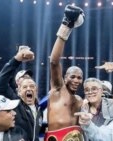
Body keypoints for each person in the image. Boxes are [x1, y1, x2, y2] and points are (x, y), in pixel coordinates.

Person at [46, 4, 85, 141]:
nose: (76, 80)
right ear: (64, 77)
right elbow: (54, 62)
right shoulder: (57, 90)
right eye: (72, 76)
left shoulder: (81, 100)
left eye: (79, 78)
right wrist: (66, 26)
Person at [0, 45, 43, 141]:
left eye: (32, 86)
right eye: (24, 87)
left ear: (36, 90)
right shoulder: (15, 103)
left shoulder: (39, 109)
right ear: (19, 91)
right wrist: (16, 60)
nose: (29, 89)